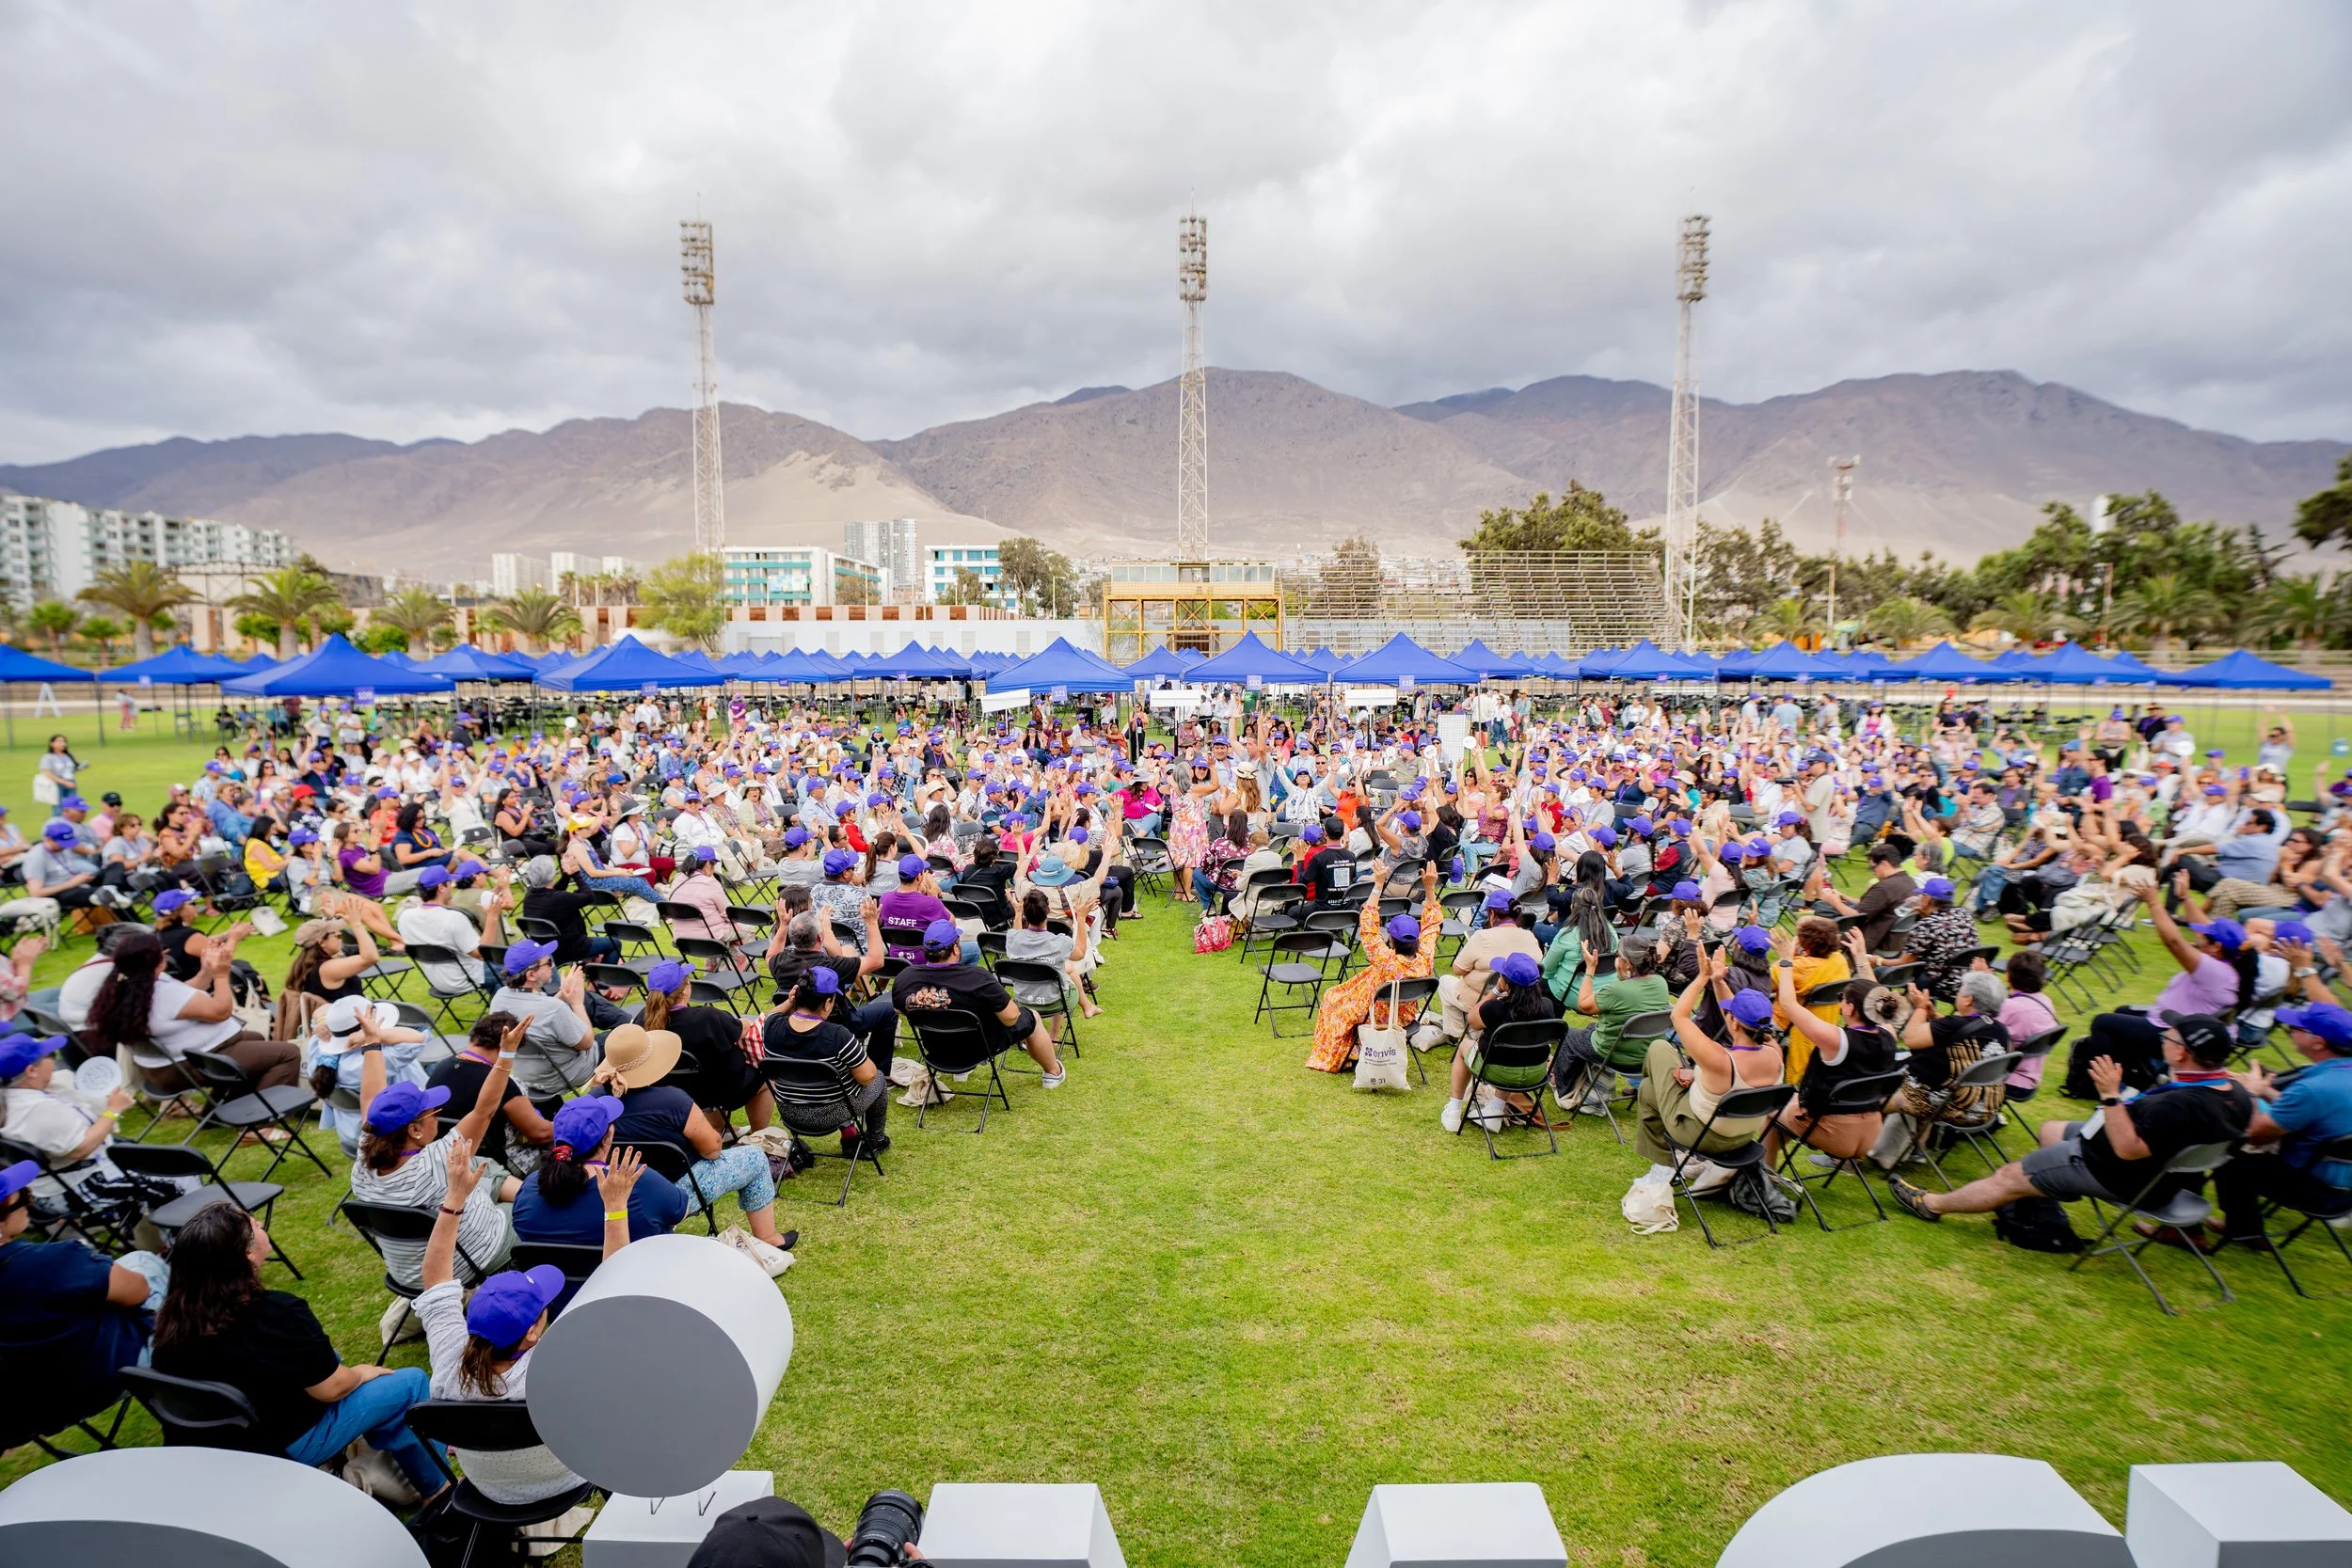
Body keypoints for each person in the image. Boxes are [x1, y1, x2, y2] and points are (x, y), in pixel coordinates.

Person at [150, 1202, 445, 1500]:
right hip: (276, 1450)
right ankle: (439, 1492)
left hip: (214, 1453)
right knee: (409, 1384)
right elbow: (332, 1388)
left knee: (331, 1361)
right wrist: (360, 1374)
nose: (262, 1227)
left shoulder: (171, 1324)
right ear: (247, 1254)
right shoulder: (274, 1311)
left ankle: (370, 1457)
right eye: (256, 1225)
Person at [415, 1133, 638, 1506]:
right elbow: (616, 1290)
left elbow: (435, 1279)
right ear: (533, 1332)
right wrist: (615, 1207)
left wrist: (454, 1198)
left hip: (487, 1487)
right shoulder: (564, 1363)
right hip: (569, 1475)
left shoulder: (450, 1358)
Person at [1890, 1011, 2254, 1227]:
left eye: (2169, 1038)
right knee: (2050, 1130)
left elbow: (2128, 1149)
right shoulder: (2236, 1093)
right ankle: (2041, 1193)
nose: (2163, 1040)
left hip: (2115, 1170)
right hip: (2152, 1164)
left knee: (2009, 1175)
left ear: (2184, 1052)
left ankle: (1933, 1204)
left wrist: (2111, 1095)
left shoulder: (2179, 1105)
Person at [587, 1022, 794, 1272]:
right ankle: (769, 1239)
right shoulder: (673, 1100)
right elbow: (713, 1149)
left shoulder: (591, 1104)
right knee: (754, 1158)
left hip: (611, 1193)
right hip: (675, 1193)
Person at [0, 1157, 167, 1451]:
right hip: (103, 1377)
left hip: (26, 1409)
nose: (28, 1202)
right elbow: (138, 1292)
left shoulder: (48, 1267)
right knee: (148, 1266)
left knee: (128, 1270)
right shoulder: (52, 1263)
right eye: (22, 1196)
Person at [350, 1010, 524, 1291]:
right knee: (528, 1212)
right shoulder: (439, 1161)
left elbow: (371, 1097)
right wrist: (506, 1056)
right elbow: (484, 1111)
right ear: (415, 1130)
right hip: (465, 1266)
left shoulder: (365, 1153)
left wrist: (373, 1042)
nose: (437, 1117)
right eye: (433, 1113)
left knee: (483, 1169)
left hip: (411, 1275)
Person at [2067, 881, 2257, 1097]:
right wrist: (2186, 899)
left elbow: (2174, 942)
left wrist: (2154, 903)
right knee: (2122, 1012)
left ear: (2217, 948)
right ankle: (2140, 1077)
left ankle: (2110, 1086)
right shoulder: (2233, 966)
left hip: (2176, 1034)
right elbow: (2202, 929)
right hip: (2184, 1026)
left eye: (2205, 937)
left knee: (2102, 1023)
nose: (2198, 937)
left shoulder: (2214, 971)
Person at [1629, 957, 1787, 1193]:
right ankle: (1664, 1167)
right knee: (1649, 1090)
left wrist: (1702, 977)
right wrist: (1718, 982)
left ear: (1733, 1022)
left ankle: (1663, 1169)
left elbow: (1678, 1016)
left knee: (1660, 1048)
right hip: (1742, 1137)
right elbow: (1738, 1019)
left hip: (1703, 1136)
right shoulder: (1775, 1053)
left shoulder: (1719, 1060)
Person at [2208, 1000, 2352, 1248]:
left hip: (2319, 1192)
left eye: (2295, 1028)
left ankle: (2240, 1230)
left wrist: (2251, 1093)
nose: (2289, 1031)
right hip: (2345, 1190)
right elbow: (2312, 1111)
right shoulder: (2335, 1076)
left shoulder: (2311, 1089)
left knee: (2226, 1147)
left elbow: (2255, 1135)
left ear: (2318, 1042)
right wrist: (2265, 1092)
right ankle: (2245, 1228)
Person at [87, 928, 301, 1094]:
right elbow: (221, 1011)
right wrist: (220, 975)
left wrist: (207, 969)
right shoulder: (161, 994)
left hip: (171, 1063)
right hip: (191, 1066)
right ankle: (261, 1125)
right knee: (288, 1053)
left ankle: (223, 1107)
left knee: (255, 1037)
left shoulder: (130, 986)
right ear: (157, 960)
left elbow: (188, 990)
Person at [891, 919, 1067, 1084]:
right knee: (1033, 1016)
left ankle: (959, 1072)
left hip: (936, 1048)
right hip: (978, 1048)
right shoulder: (977, 978)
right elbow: (1011, 1018)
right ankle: (1053, 1073)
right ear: (956, 949)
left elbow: (899, 1009)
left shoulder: (905, 978)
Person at [1765, 958, 1902, 1169]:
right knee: (1789, 1108)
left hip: (1836, 1133)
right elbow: (1878, 999)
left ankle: (1765, 1175)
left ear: (1850, 1008)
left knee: (1770, 1106)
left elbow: (1788, 1004)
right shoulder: (1889, 1034)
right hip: (1871, 1133)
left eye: (1842, 998)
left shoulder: (1837, 1040)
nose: (1840, 1003)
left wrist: (1785, 961)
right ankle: (1766, 1173)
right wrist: (1860, 958)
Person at [1306, 863, 1442, 1073]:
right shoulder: (1424, 960)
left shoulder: (1385, 959)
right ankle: (1355, 1050)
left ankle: (1343, 1053)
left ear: (1391, 940)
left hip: (1375, 1016)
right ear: (1417, 939)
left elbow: (1368, 923)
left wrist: (1378, 884)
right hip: (1404, 1017)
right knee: (1339, 995)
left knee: (1332, 997)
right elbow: (1433, 925)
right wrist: (1430, 889)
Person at [512, 1095, 691, 1243]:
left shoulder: (529, 1189)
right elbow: (681, 1212)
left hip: (562, 1285)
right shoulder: (636, 1181)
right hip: (639, 1280)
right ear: (607, 1139)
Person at [764, 967, 890, 1150]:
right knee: (877, 1078)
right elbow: (867, 1076)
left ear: (796, 996)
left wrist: (789, 1002)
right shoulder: (837, 1036)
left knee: (839, 1078)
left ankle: (849, 1134)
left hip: (789, 1112)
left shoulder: (771, 1027)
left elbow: (771, 1015)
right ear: (828, 1003)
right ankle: (876, 1139)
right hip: (829, 1114)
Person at [1550, 929, 1677, 1111]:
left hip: (1613, 1053)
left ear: (1626, 963)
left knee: (1570, 1035)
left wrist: (1590, 969)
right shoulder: (1660, 982)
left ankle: (1560, 1084)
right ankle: (1571, 1076)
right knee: (1590, 1029)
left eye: (1617, 955)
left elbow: (1584, 1004)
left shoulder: (1616, 991)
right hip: (1645, 1054)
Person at [1438, 950, 1561, 1132]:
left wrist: (1495, 991)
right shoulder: (1547, 1007)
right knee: (1516, 1053)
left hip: (1495, 1071)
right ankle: (1495, 1109)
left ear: (1506, 980)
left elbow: (1472, 1019)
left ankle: (1454, 1110)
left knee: (1464, 1046)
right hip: (1537, 1073)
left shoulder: (1496, 1009)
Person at [640, 957, 769, 1125]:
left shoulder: (642, 1019)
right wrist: (745, 1022)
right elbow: (741, 1030)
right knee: (766, 1075)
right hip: (718, 1090)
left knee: (706, 1071)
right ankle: (758, 1136)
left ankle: (718, 1128)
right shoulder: (706, 1018)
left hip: (671, 1092)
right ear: (685, 990)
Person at [426, 1010, 556, 1172]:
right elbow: (539, 1133)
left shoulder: (440, 1067)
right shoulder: (499, 1083)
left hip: (444, 1155)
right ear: (506, 1047)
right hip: (494, 1162)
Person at [489, 939, 602, 1097]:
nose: (553, 965)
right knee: (619, 1039)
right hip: (562, 1075)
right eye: (548, 962)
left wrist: (563, 994)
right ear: (531, 974)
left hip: (524, 1074)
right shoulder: (554, 1009)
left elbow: (539, 1016)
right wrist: (577, 1004)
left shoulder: (500, 997)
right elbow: (587, 1043)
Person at [398, 861, 511, 993]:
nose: (452, 887)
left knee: (501, 975)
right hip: (465, 978)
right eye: (449, 883)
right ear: (441, 888)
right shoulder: (454, 918)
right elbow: (482, 954)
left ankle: (499, 1010)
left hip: (437, 980)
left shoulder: (405, 917)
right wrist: (492, 917)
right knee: (521, 964)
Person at [1004, 885, 1103, 1027]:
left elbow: (1017, 933)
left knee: (1065, 969)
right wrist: (1081, 918)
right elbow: (1080, 953)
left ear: (1026, 913)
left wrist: (1018, 913)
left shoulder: (1013, 938)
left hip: (1022, 1000)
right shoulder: (1060, 942)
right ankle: (1054, 1035)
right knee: (1063, 974)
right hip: (1054, 1002)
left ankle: (1088, 1007)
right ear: (1048, 911)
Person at [1772, 915, 1851, 1080]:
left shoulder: (1800, 967)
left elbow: (1768, 981)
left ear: (1806, 945)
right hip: (1824, 1021)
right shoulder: (1839, 960)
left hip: (1785, 1021)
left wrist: (1786, 957)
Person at [1811, 842, 1915, 952]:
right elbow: (1868, 904)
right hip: (1895, 940)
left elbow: (1856, 917)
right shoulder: (1909, 882)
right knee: (1823, 908)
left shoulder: (1885, 887)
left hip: (1870, 940)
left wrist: (1836, 903)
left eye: (1873, 868)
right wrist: (1844, 897)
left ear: (1884, 864)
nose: (1873, 873)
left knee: (1812, 921)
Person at [518, 854, 619, 966]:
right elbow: (588, 896)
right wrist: (576, 873)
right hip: (571, 948)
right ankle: (602, 981)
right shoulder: (561, 898)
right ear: (552, 875)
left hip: (546, 949)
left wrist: (566, 875)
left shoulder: (529, 897)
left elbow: (552, 892)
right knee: (615, 944)